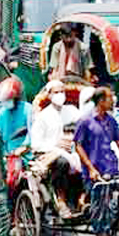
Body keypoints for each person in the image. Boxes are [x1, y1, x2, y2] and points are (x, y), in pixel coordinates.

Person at [74, 87, 119, 236]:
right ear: (101, 101)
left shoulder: (111, 120)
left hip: (111, 167)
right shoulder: (85, 121)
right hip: (95, 171)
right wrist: (91, 168)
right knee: (100, 208)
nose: (113, 101)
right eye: (110, 98)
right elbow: (78, 146)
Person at [29, 80, 82, 217]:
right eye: (56, 92)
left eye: (62, 92)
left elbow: (83, 127)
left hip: (73, 150)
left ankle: (83, 199)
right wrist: (55, 145)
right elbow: (35, 144)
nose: (60, 95)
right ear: (49, 95)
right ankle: (61, 200)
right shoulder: (43, 116)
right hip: (49, 153)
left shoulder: (72, 111)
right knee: (62, 163)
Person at [0, 76, 33, 154]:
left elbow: (32, 132)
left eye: (8, 100)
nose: (6, 103)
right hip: (8, 153)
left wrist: (24, 146)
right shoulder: (2, 112)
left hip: (25, 153)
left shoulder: (27, 109)